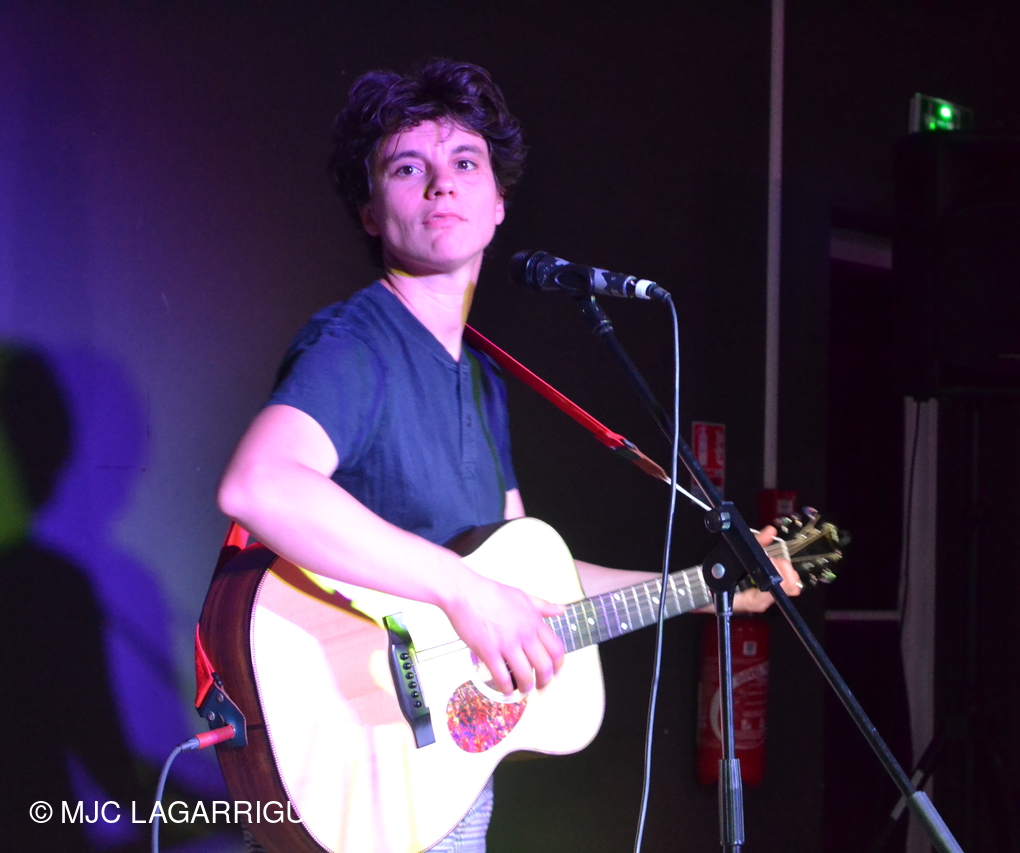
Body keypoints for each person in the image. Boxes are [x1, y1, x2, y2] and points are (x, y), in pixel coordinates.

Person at [217, 58, 799, 852]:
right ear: (369, 212)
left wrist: (705, 587)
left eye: (466, 163)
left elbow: (533, 584)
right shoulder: (357, 345)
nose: (441, 185)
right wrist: (465, 591)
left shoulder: (483, 380)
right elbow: (259, 484)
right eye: (407, 168)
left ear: (498, 204)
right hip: (366, 777)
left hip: (445, 786)